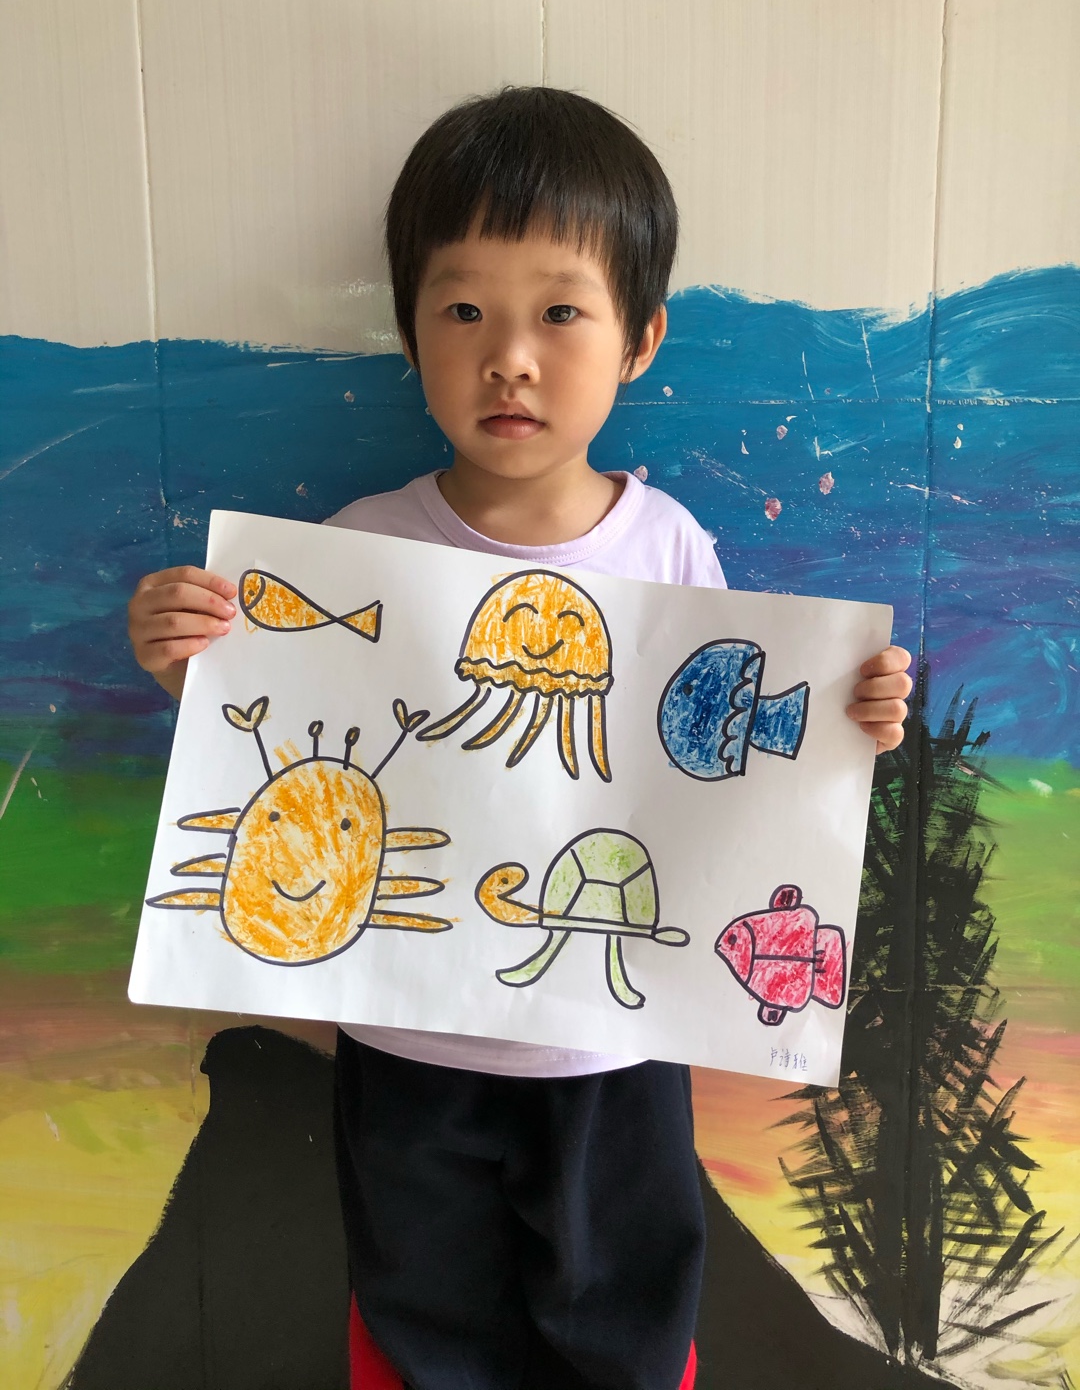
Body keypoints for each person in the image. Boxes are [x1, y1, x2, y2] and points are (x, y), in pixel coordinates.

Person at [127, 86, 912, 1390]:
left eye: (559, 312)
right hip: (407, 1044)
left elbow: (735, 770)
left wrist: (847, 722)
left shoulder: (671, 550)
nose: (510, 358)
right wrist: (186, 666)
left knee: (626, 1318)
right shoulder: (360, 548)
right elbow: (287, 739)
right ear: (408, 332)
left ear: (640, 338)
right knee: (423, 1315)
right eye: (463, 312)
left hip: (613, 1053)